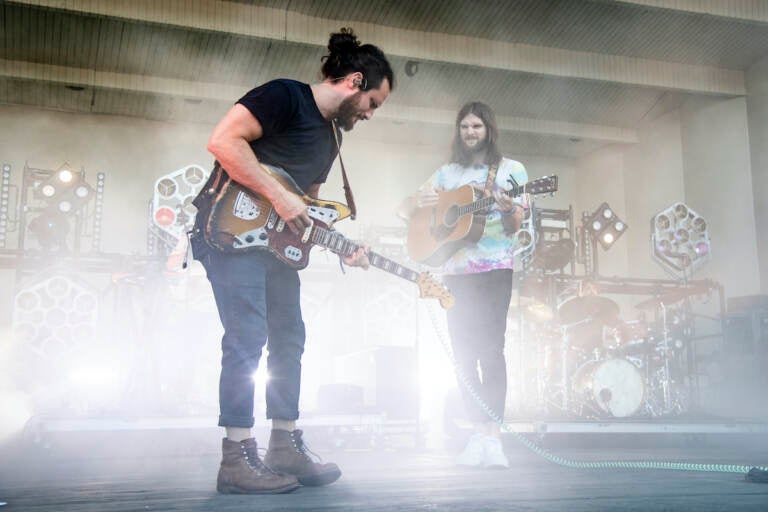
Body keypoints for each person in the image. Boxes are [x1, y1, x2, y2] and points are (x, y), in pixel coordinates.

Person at [189, 28, 394, 494]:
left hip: (274, 248)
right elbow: (224, 141)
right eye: (374, 104)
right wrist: (280, 197)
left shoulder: (330, 142)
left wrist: (345, 247)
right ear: (355, 81)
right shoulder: (284, 96)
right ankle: (236, 458)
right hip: (230, 233)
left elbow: (307, 214)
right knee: (247, 335)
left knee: (290, 339)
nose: (370, 115)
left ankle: (283, 444)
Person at [398, 101, 527, 469]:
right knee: (463, 356)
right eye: (465, 127)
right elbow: (404, 211)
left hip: (495, 270)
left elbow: (517, 223)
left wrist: (507, 208)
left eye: (477, 127)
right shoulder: (446, 174)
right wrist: (415, 202)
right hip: (455, 274)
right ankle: (476, 433)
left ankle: (493, 438)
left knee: (491, 352)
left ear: (489, 130)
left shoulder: (511, 171)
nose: (470, 132)